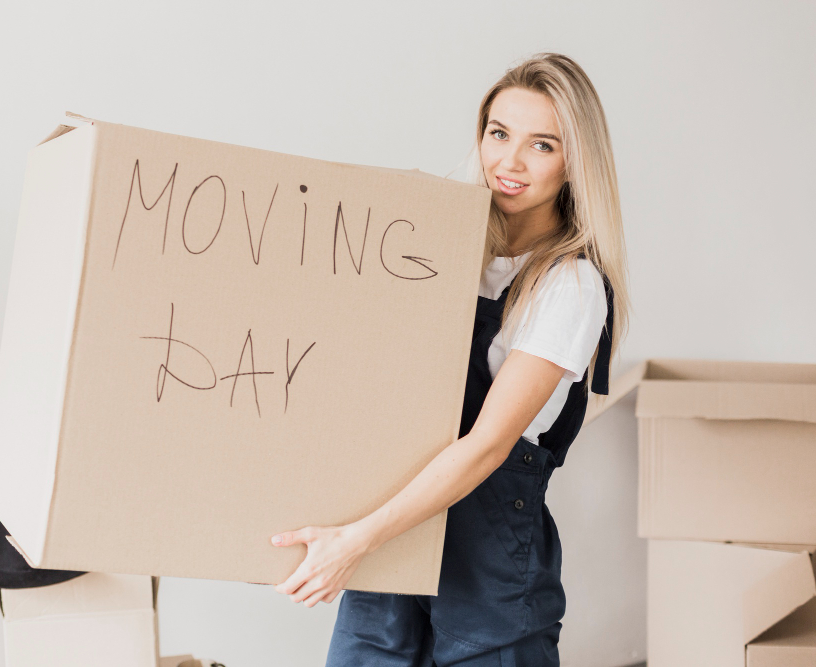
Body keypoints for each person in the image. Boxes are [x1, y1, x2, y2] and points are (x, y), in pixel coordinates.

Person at [270, 52, 631, 667]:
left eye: (542, 145)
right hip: (391, 551)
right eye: (499, 134)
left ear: (576, 162)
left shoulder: (568, 285)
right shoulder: (434, 254)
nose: (509, 162)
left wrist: (354, 541)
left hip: (485, 573)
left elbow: (489, 445)